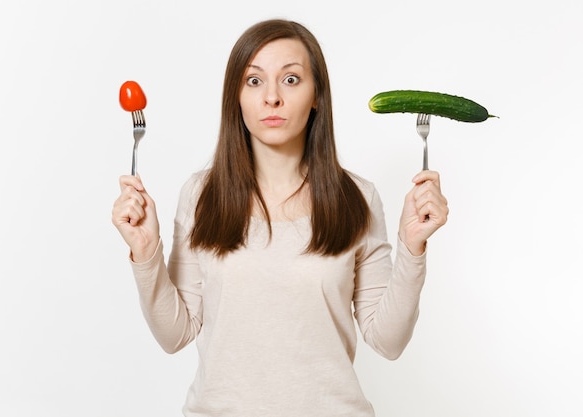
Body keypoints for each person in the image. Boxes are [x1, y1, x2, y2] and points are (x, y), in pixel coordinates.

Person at [112, 18, 448, 417]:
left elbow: (388, 341)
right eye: (254, 81)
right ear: (235, 96)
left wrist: (413, 247)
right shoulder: (202, 196)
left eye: (290, 80)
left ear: (316, 95)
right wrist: (146, 254)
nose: (271, 97)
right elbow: (175, 334)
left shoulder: (357, 198)